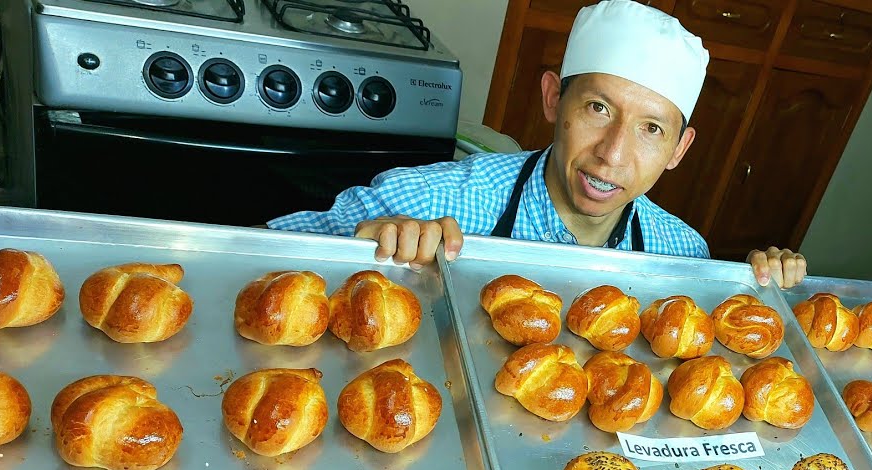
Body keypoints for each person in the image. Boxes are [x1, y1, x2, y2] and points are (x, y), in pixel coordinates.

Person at [267, 0, 808, 288]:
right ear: (553, 99)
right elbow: (249, 257)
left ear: (678, 151)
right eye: (598, 109)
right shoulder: (433, 200)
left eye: (651, 129)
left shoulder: (683, 255)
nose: (613, 155)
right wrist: (352, 251)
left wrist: (766, 287)